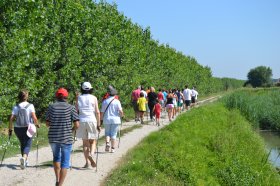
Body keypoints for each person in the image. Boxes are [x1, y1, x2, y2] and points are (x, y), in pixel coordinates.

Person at [46, 88, 79, 186]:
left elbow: (47, 123)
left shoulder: (51, 107)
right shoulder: (71, 107)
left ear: (57, 96)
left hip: (53, 137)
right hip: (66, 138)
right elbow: (77, 125)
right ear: (66, 96)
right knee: (65, 162)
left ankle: (57, 180)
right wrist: (71, 130)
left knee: (56, 158)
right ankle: (60, 184)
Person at [9, 90, 39, 169]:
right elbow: (34, 117)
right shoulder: (30, 105)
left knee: (22, 143)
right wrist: (37, 124)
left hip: (17, 128)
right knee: (28, 144)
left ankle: (24, 161)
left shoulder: (16, 106)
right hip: (27, 127)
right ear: (26, 97)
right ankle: (24, 158)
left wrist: (10, 129)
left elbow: (11, 118)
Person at [76, 82, 101, 168]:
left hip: (82, 120)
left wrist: (75, 123)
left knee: (85, 143)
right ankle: (92, 154)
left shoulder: (79, 98)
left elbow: (76, 111)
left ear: (82, 89)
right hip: (91, 120)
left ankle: (87, 162)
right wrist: (99, 124)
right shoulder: (94, 97)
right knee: (93, 141)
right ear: (90, 89)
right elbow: (97, 112)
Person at [101, 85, 123, 153]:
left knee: (107, 133)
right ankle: (113, 148)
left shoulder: (105, 101)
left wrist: (101, 120)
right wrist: (121, 115)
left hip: (107, 119)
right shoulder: (117, 101)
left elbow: (102, 112)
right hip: (115, 120)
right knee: (113, 134)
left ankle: (107, 143)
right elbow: (120, 111)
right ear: (114, 94)